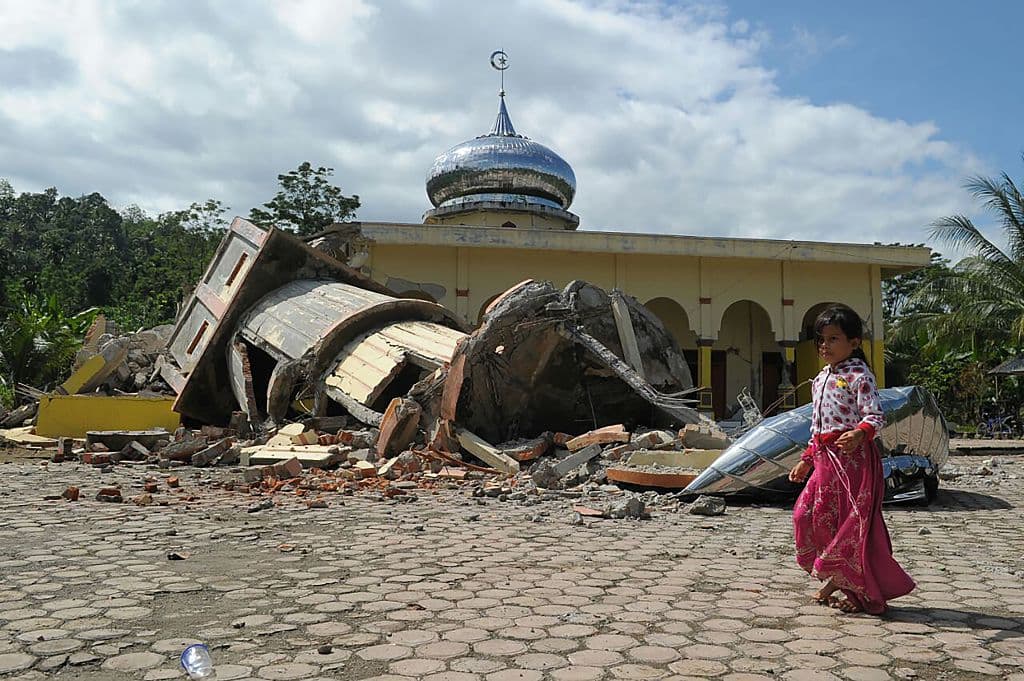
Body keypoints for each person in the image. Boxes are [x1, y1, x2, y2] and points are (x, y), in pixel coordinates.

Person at [788, 304, 915, 614]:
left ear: (854, 342)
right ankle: (836, 578)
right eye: (821, 340)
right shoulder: (819, 379)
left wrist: (860, 433)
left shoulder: (860, 375)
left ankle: (849, 588)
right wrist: (806, 458)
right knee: (806, 516)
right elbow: (817, 427)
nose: (825, 346)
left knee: (848, 526)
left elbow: (875, 414)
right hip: (824, 460)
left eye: (833, 339)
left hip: (852, 462)